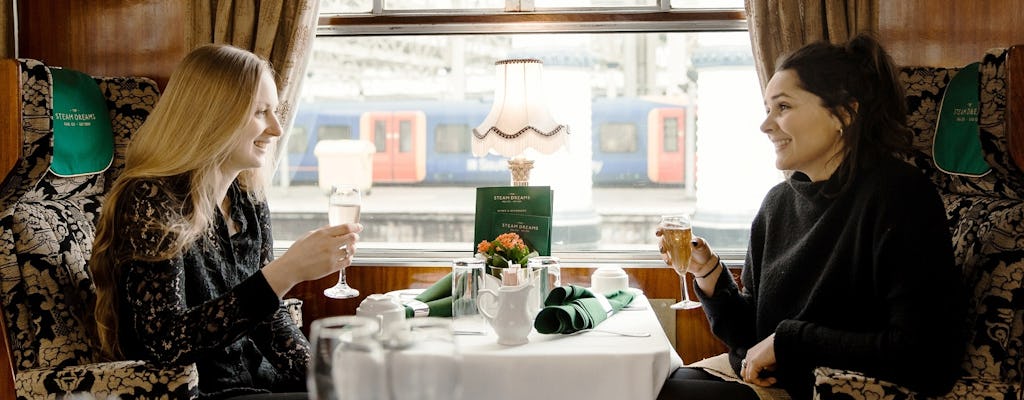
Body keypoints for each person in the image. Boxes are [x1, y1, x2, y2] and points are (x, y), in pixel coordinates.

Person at [656, 33, 966, 400]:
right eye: (767, 109)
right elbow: (753, 339)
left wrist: (788, 340)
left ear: (844, 114)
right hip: (773, 382)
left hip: (832, 391)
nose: (766, 125)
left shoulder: (900, 196)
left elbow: (925, 358)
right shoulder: (777, 205)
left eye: (783, 107)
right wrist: (708, 273)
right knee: (657, 386)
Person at [90, 44, 362, 399]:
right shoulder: (149, 200)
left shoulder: (247, 200)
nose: (277, 129)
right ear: (213, 116)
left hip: (258, 383)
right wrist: (286, 272)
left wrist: (327, 379)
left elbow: (269, 319)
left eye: (275, 111)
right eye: (260, 112)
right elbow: (167, 343)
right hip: (199, 392)